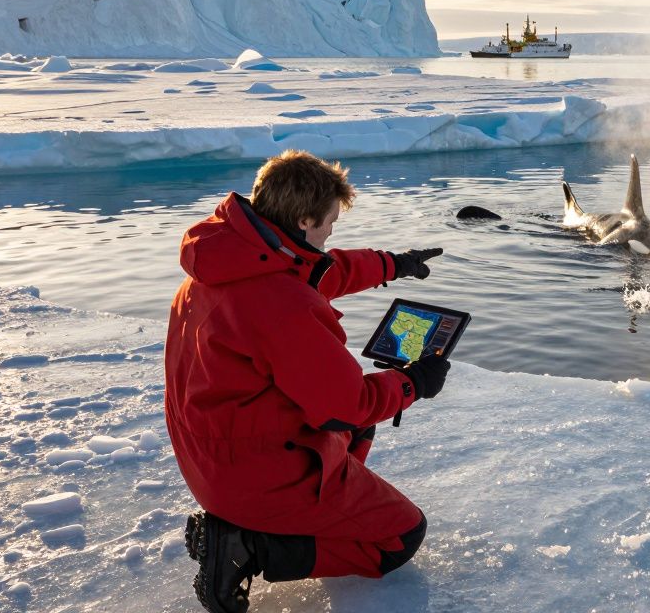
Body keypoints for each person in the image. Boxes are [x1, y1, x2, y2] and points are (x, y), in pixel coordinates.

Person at [164, 150, 449, 613]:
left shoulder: (226, 262)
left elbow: (318, 272)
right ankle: (250, 545)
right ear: (303, 220)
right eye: (330, 222)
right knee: (400, 535)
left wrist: (394, 264)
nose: (333, 230)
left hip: (209, 457)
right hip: (254, 473)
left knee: (357, 430)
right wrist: (413, 382)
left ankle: (289, 518)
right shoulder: (281, 304)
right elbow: (346, 404)